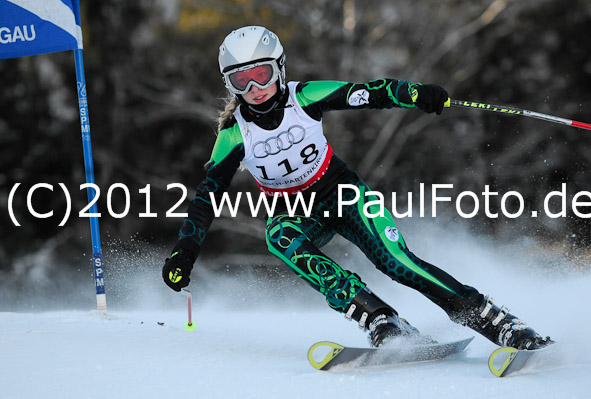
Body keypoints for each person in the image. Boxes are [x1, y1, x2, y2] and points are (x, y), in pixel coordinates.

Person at [162, 26, 551, 349]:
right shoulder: (234, 135)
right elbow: (206, 198)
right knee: (279, 235)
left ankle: (497, 322)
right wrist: (185, 250)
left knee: (398, 263)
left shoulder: (305, 97)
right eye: (240, 80)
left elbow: (368, 92)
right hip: (294, 209)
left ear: (278, 69)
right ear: (230, 84)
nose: (255, 88)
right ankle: (380, 319)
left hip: (341, 192)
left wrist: (414, 94)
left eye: (261, 74)